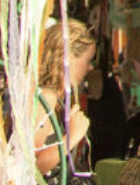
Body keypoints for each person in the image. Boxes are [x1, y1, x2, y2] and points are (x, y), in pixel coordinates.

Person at [35, 19, 96, 176]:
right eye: (88, 60)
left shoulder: (56, 98)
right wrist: (72, 136)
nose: (90, 67)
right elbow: (30, 168)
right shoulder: (46, 97)